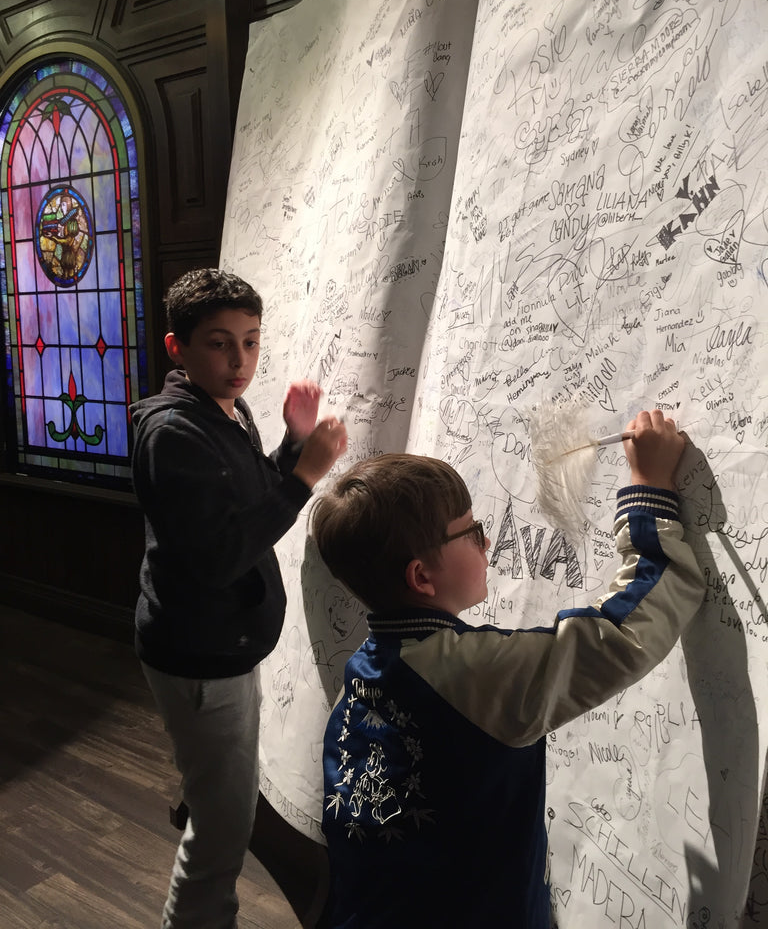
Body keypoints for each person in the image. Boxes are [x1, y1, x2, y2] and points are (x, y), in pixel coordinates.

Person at [310, 409, 704, 928]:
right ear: (421, 576)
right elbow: (620, 635)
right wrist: (648, 491)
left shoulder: (364, 671)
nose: (487, 541)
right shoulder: (471, 674)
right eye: (470, 531)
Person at [130, 268, 347, 929]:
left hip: (224, 646)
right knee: (221, 837)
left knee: (222, 805)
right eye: (221, 344)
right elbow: (219, 555)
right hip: (200, 657)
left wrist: (290, 443)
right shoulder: (175, 432)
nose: (241, 361)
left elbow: (245, 500)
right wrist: (306, 475)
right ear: (178, 348)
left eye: (251, 342)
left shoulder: (225, 409)